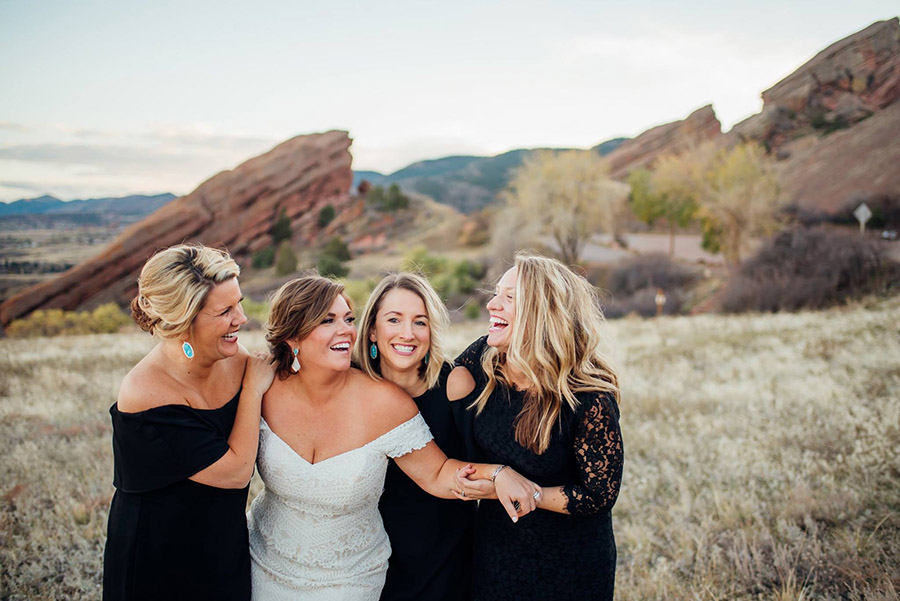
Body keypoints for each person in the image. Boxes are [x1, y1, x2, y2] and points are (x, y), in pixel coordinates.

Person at [247, 274, 541, 601]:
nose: (345, 328)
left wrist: (499, 474)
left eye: (348, 319)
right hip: (265, 565)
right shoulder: (263, 384)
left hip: (368, 573)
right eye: (328, 320)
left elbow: (439, 472)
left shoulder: (397, 398)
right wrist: (251, 387)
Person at [103, 244, 275, 601]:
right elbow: (235, 473)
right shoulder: (144, 392)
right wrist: (253, 391)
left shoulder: (231, 355)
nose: (241, 318)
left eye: (238, 303)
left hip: (221, 542)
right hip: (158, 561)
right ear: (184, 321)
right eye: (225, 311)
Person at [453, 252, 624, 601]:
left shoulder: (588, 398)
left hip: (569, 566)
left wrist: (525, 493)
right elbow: (437, 396)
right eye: (496, 293)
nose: (492, 304)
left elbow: (598, 495)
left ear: (542, 311)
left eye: (509, 297)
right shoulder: (483, 359)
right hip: (494, 553)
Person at [354, 273, 476, 601]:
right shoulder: (348, 385)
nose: (407, 334)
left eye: (420, 322)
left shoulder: (454, 385)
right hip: (364, 565)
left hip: (445, 565)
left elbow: (481, 462)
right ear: (372, 331)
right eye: (394, 320)